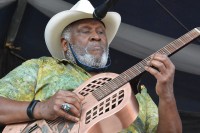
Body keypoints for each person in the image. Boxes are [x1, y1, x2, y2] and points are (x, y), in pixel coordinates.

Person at [0, 0, 182, 132]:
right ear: (65, 44)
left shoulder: (137, 91)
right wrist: (40, 108)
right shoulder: (42, 67)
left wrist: (167, 95)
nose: (97, 36)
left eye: (101, 32)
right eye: (86, 31)